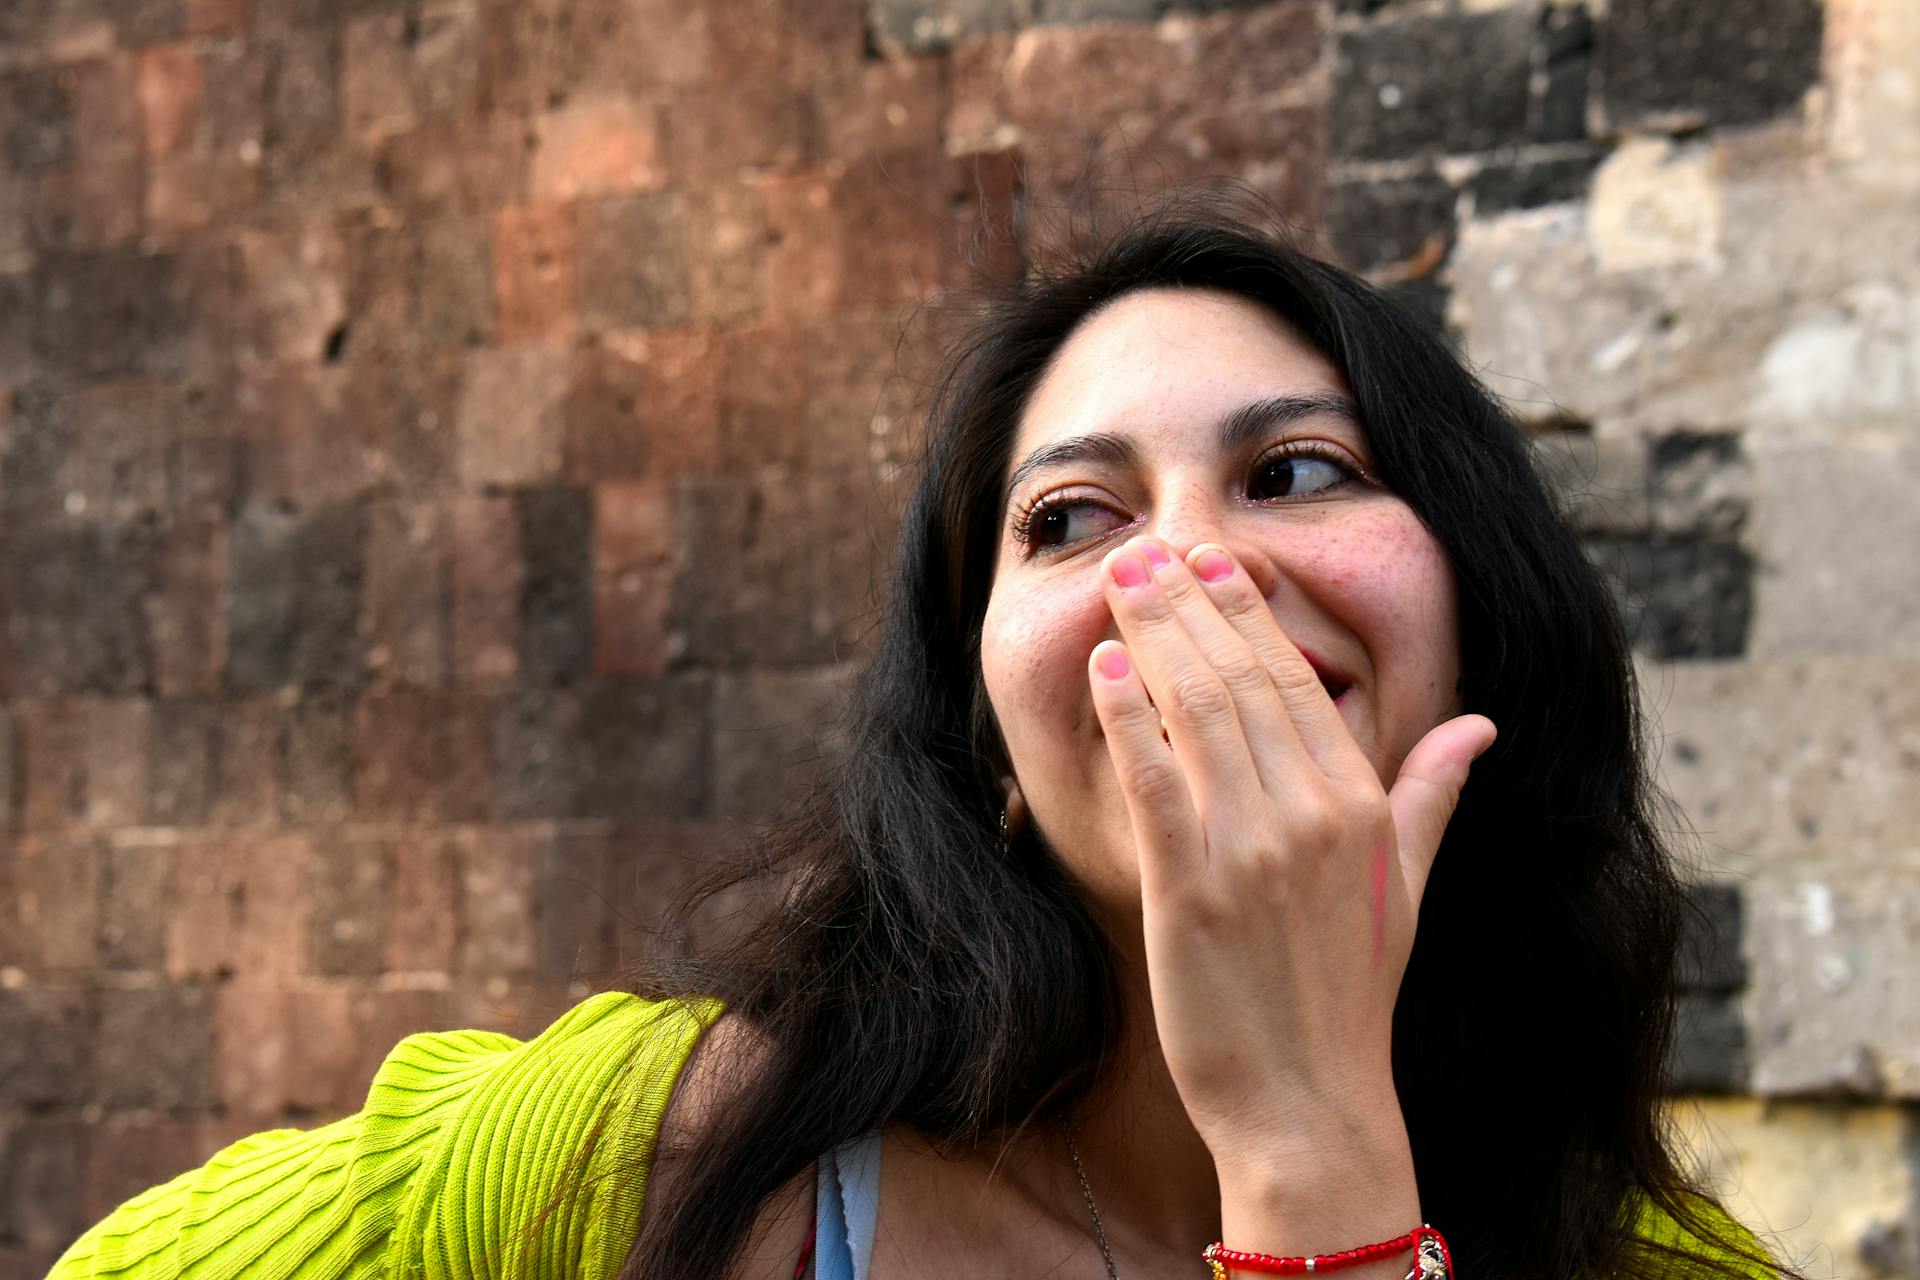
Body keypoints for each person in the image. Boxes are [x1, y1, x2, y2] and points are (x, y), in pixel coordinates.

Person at [49, 189, 1786, 1280]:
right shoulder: (651, 1172)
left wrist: (1313, 1153)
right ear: (989, 755)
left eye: (1299, 472)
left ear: (1482, 628)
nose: (1182, 568)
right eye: (1072, 518)